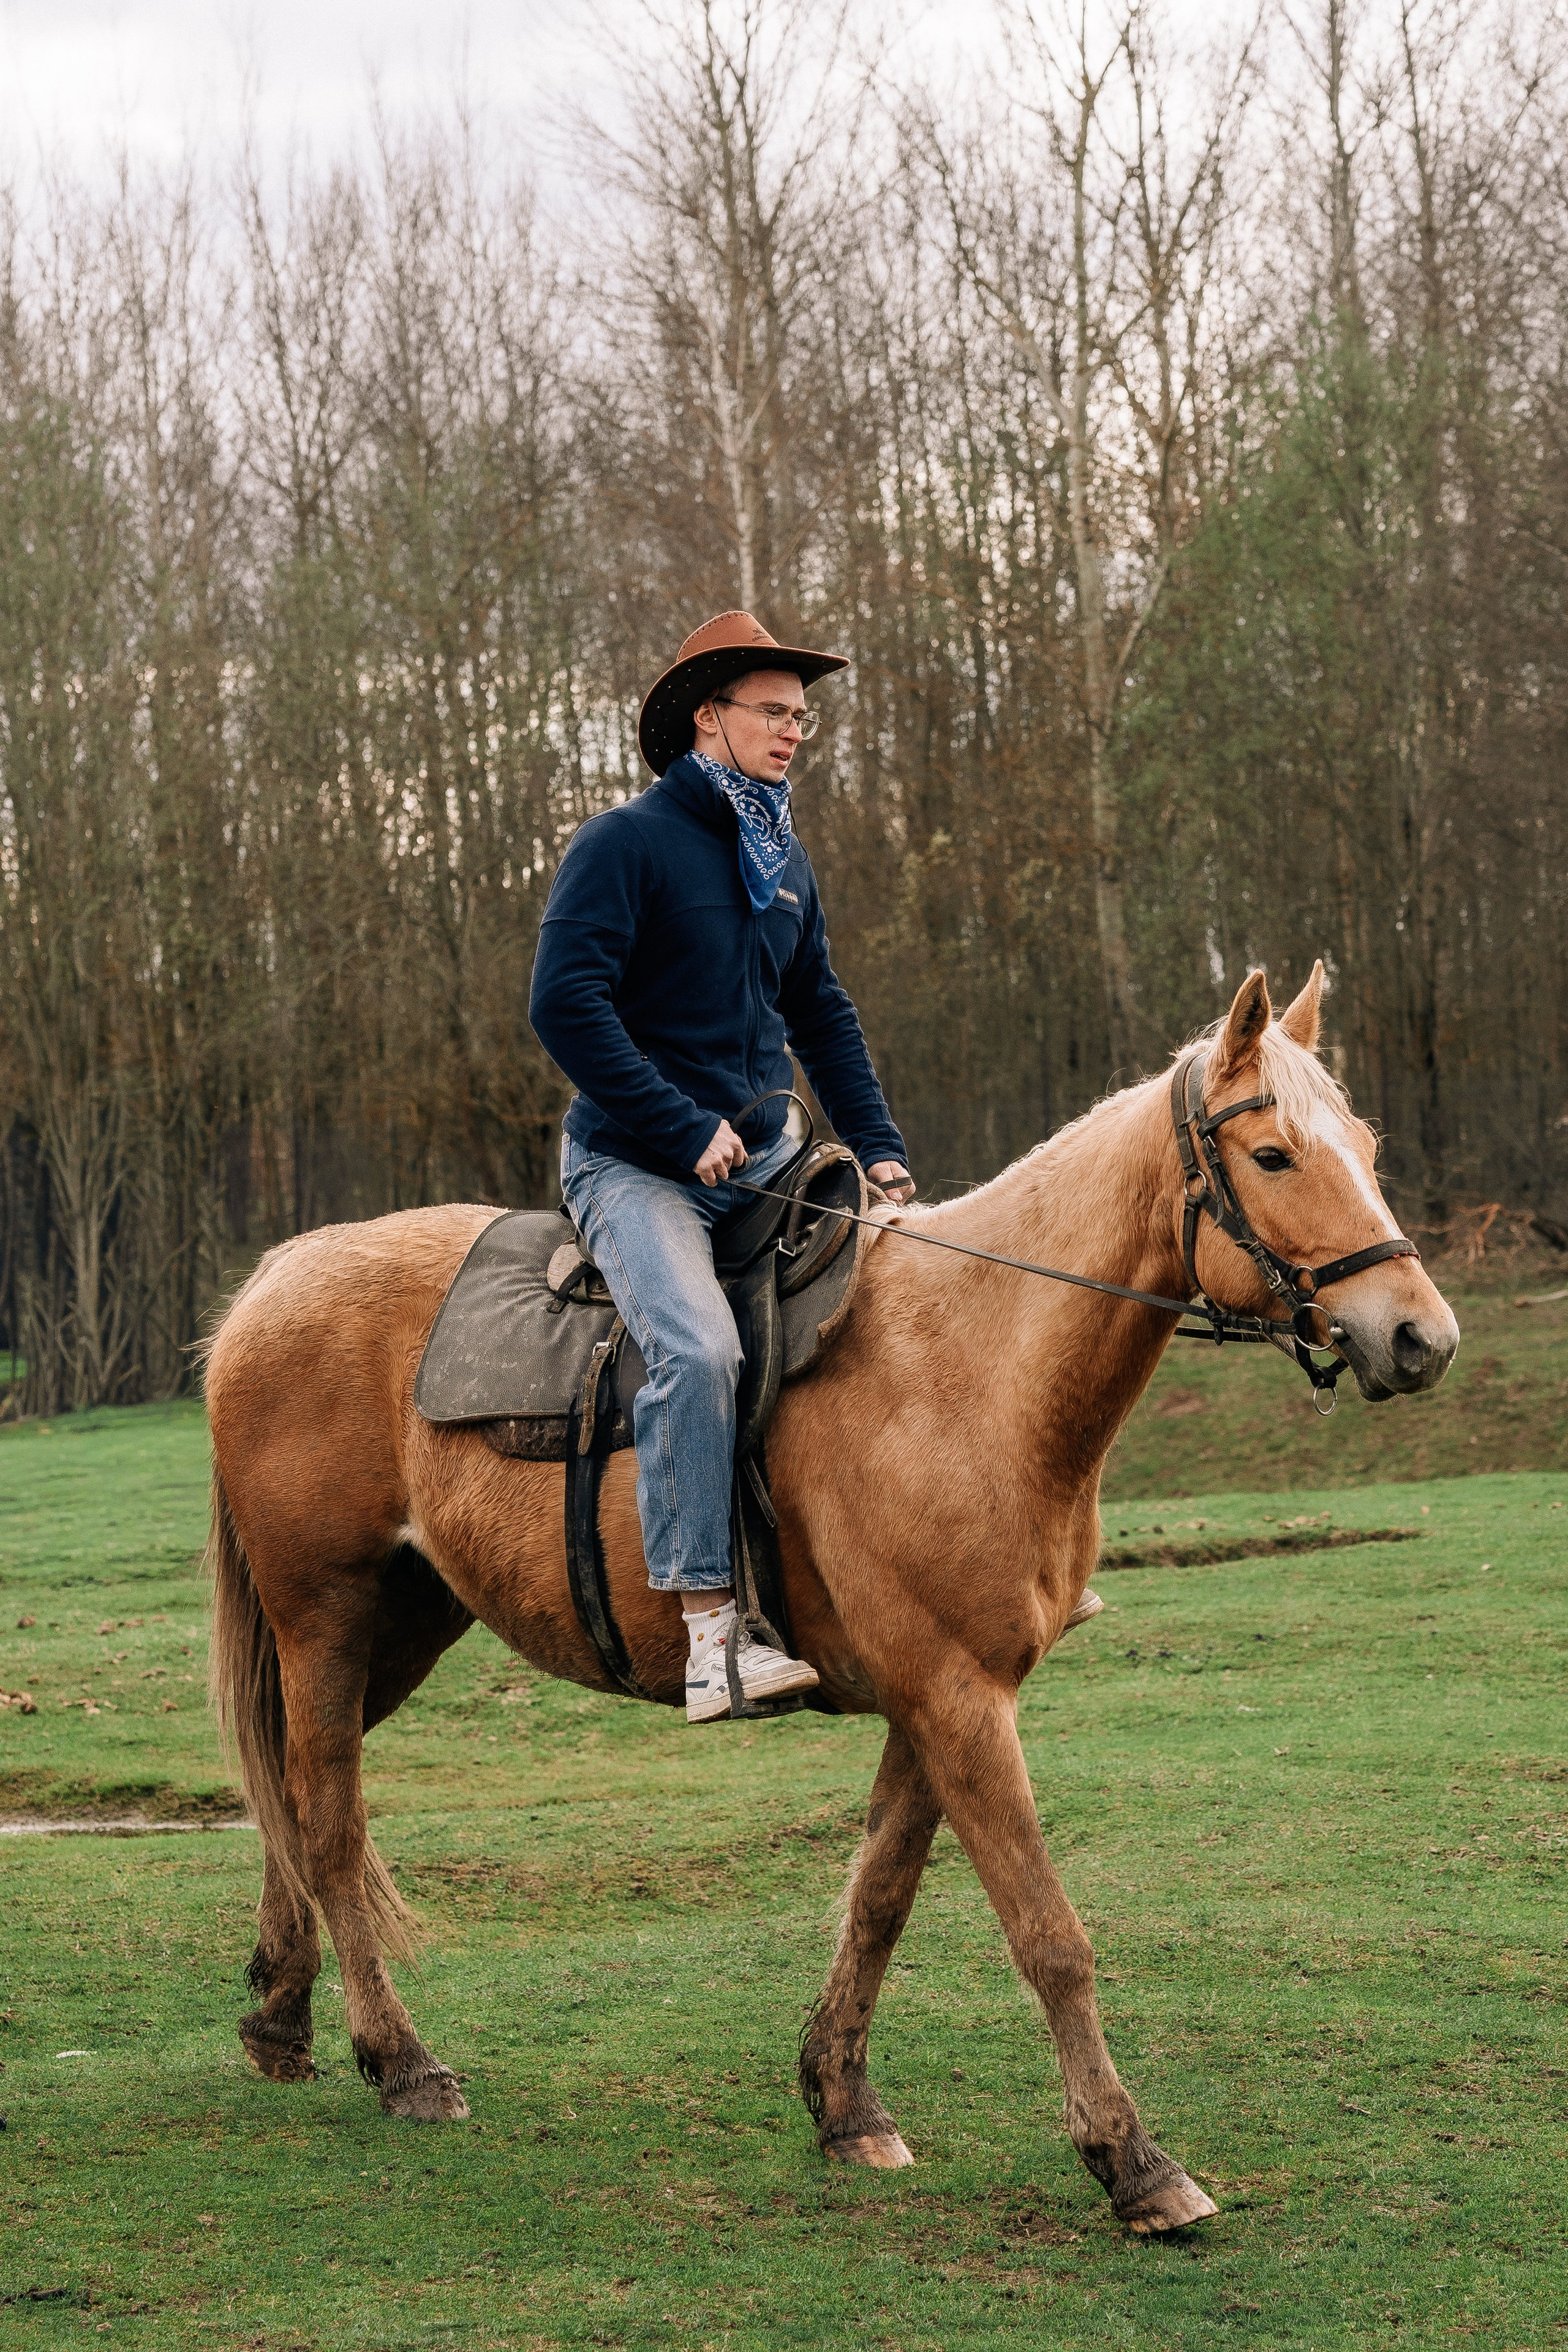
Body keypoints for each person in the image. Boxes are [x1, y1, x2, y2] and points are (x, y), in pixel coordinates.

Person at [529, 610, 914, 1724]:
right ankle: (711, 1636)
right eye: (773, 712)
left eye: (802, 717)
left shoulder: (782, 858)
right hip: (637, 1166)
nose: (794, 730)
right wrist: (676, 1124)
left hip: (772, 1161)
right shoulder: (624, 844)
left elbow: (821, 1013)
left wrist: (880, 1150)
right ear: (710, 718)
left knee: (918, 1296)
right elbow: (565, 1005)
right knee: (699, 1352)